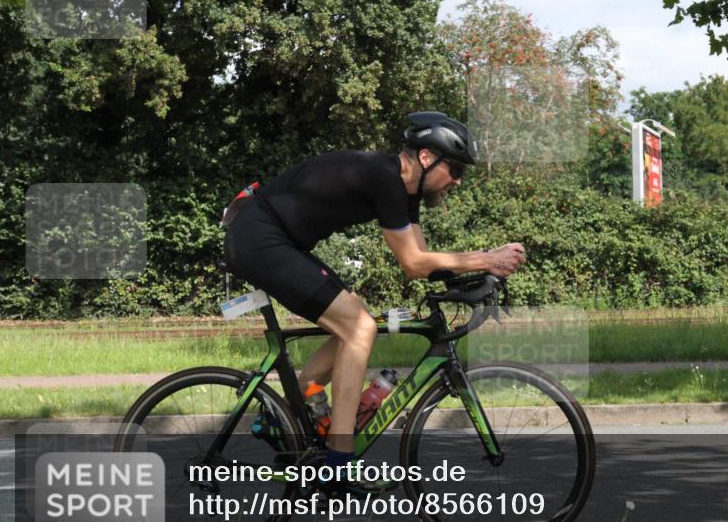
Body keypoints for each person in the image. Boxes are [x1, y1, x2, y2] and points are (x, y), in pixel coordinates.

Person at [223, 112, 526, 469]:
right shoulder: (386, 177)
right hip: (259, 238)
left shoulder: (406, 190)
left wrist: (469, 279)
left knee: (356, 321)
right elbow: (414, 262)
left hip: (274, 239)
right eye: (456, 170)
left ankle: (298, 405)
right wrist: (485, 259)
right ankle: (339, 457)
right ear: (426, 158)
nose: (457, 182)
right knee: (359, 327)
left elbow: (422, 263)